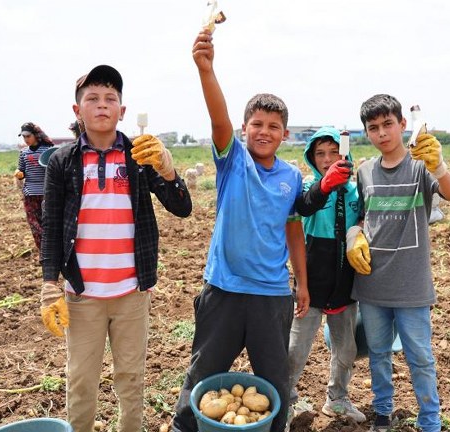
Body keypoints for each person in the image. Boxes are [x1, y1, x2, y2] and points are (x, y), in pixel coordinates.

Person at [39, 65, 192, 432]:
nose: (102, 105)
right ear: (78, 112)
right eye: (92, 99)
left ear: (122, 110)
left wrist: (168, 170)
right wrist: (49, 283)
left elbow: (181, 207)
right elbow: (52, 228)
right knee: (80, 381)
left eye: (111, 99)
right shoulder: (63, 161)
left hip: (131, 292)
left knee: (130, 378)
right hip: (82, 294)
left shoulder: (139, 156)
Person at [173, 29, 309, 432]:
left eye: (273, 126)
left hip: (270, 295)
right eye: (257, 124)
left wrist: (301, 282)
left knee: (274, 378)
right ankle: (185, 427)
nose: (264, 131)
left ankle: (275, 428)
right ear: (244, 129)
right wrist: (206, 69)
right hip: (225, 291)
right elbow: (218, 117)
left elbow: (293, 232)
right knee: (204, 369)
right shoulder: (232, 161)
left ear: (285, 134)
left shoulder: (292, 178)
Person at [347, 94, 450, 432]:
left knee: (420, 358)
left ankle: (430, 422)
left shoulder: (420, 166)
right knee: (379, 354)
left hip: (412, 285)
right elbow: (360, 217)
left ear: (402, 125)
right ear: (366, 133)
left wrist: (438, 165)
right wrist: (354, 236)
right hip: (371, 284)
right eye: (373, 128)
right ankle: (382, 412)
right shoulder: (365, 171)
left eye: (387, 125)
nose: (382, 133)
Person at [286, 127, 365, 423]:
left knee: (346, 348)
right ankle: (287, 401)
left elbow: (365, 220)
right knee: (296, 348)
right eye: (320, 153)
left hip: (345, 282)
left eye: (334, 152)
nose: (327, 158)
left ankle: (338, 398)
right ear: (311, 157)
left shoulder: (356, 191)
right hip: (311, 283)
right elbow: (305, 208)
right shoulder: (309, 185)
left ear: (345, 154)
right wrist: (326, 185)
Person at [14, 122, 53, 255]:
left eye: (28, 136)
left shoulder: (48, 151)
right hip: (30, 193)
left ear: (36, 135)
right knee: (34, 224)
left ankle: (51, 250)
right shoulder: (24, 153)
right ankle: (43, 251)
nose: (26, 139)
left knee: (48, 224)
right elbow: (22, 170)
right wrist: (19, 174)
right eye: (23, 137)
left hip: (46, 194)